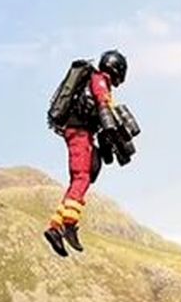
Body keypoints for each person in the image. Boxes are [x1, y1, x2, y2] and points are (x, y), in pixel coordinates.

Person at [44, 49, 128, 257]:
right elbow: (102, 104)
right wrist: (112, 128)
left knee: (85, 174)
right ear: (116, 69)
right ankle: (69, 224)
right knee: (82, 178)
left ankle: (56, 227)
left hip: (82, 133)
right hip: (79, 133)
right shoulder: (99, 81)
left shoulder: (96, 80)